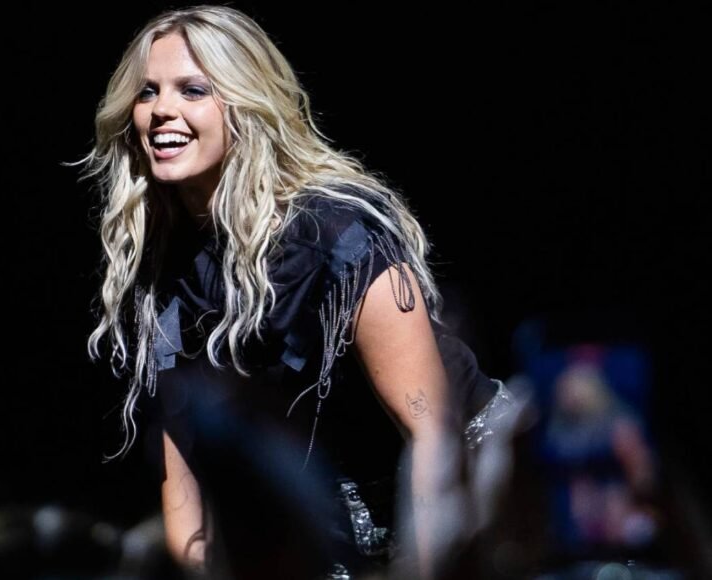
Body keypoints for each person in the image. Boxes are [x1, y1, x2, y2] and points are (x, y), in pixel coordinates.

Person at [71, 5, 507, 578]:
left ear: (247, 104)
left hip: (468, 496)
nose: (161, 110)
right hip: (333, 533)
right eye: (148, 91)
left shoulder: (337, 233)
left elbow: (431, 435)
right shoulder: (160, 269)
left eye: (193, 90)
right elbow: (187, 488)